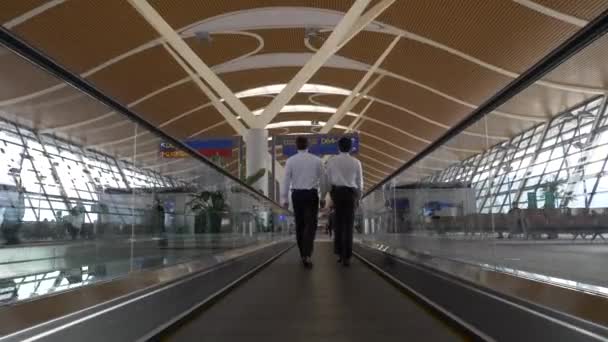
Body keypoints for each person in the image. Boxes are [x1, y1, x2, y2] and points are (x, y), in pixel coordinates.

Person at [281, 136, 323, 268]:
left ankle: (302, 253)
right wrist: (322, 198)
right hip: (311, 195)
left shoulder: (290, 161)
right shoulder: (317, 160)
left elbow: (286, 181)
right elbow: (323, 180)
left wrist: (284, 199)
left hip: (297, 195)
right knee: (311, 225)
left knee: (300, 225)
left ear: (296, 145)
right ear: (308, 145)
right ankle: (307, 254)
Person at [324, 137, 363, 267]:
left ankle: (340, 253)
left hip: (337, 193)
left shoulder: (331, 161)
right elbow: (359, 182)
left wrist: (329, 193)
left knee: (338, 225)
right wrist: (359, 197)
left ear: (338, 147)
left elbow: (328, 179)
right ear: (351, 147)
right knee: (349, 225)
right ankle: (347, 255)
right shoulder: (356, 162)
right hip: (351, 194)